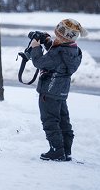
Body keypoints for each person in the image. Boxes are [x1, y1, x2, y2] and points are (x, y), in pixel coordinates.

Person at [30, 18, 88, 161]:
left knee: (50, 121)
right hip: (61, 92)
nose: (55, 37)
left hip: (49, 92)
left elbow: (39, 62)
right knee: (63, 121)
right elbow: (59, 52)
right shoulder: (74, 50)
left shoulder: (58, 53)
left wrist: (35, 47)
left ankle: (56, 151)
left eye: (57, 35)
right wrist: (47, 40)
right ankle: (66, 151)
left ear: (63, 36)